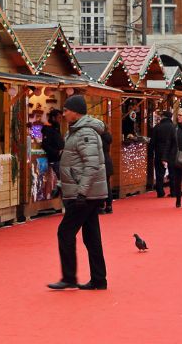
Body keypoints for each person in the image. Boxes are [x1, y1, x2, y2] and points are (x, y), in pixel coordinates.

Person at [49, 94, 109, 290]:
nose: (64, 113)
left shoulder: (85, 133)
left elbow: (91, 165)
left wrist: (81, 192)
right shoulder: (77, 132)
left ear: (76, 112)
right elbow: (76, 164)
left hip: (84, 194)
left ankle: (69, 277)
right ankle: (98, 279)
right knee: (91, 236)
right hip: (85, 192)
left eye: (66, 110)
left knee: (65, 232)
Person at [149, 110, 175, 197]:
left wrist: (150, 153)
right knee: (172, 172)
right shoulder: (173, 127)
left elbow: (152, 142)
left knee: (159, 173)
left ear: (163, 117)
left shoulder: (157, 127)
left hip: (159, 152)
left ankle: (160, 191)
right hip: (171, 152)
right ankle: (173, 191)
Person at [41, 109, 64, 199]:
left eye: (61, 117)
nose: (60, 119)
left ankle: (58, 192)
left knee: (63, 181)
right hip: (54, 159)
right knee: (62, 181)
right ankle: (56, 191)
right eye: (59, 117)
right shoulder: (47, 129)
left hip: (61, 158)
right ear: (53, 118)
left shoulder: (56, 127)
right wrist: (57, 152)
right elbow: (45, 145)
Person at [99, 122, 115, 214]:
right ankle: (109, 205)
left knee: (100, 185)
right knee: (107, 184)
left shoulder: (99, 137)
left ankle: (101, 205)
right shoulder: (108, 137)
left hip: (101, 161)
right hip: (108, 161)